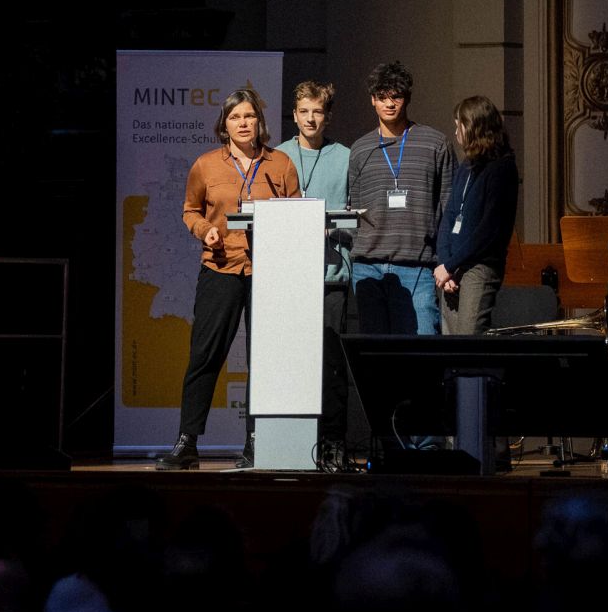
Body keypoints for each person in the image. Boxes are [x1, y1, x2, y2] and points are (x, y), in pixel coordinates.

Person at [156, 89, 301, 471]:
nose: (243, 123)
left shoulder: (280, 164)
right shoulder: (205, 165)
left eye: (249, 116)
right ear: (224, 125)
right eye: (235, 117)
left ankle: (256, 442)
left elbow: (297, 211)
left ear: (259, 122)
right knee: (205, 355)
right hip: (220, 268)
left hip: (268, 273)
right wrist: (204, 229)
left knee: (263, 361)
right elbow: (190, 210)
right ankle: (187, 442)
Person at [347, 61, 454, 336]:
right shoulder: (360, 149)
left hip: (418, 266)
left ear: (407, 98)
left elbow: (449, 207)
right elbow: (354, 209)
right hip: (368, 267)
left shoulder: (435, 144)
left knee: (420, 350)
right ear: (372, 100)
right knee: (374, 354)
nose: (389, 103)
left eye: (396, 96)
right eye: (382, 97)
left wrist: (448, 261)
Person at [276, 81, 352, 464]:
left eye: (317, 111)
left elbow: (357, 215)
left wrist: (331, 227)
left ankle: (334, 441)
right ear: (294, 115)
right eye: (304, 111)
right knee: (290, 362)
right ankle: (290, 441)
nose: (310, 118)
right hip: (288, 278)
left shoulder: (345, 157)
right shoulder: (278, 156)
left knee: (331, 363)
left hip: (330, 274)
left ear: (328, 116)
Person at [434, 95, 518, 334]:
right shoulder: (466, 165)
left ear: (473, 127)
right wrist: (444, 263)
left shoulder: (502, 168)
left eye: (459, 125)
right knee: (450, 340)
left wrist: (451, 264)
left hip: (479, 266)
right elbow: (449, 216)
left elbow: (489, 230)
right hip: (453, 268)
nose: (456, 132)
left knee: (469, 337)